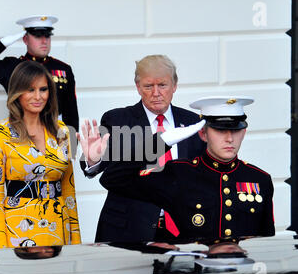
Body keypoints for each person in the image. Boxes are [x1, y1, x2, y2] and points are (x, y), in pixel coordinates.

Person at [82, 96, 275, 247]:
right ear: (203, 133)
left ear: (244, 132)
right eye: (219, 130)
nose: (229, 139)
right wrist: (160, 143)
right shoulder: (180, 173)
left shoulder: (260, 179)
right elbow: (114, 179)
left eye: (235, 130)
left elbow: (266, 239)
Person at [77, 55, 206, 243]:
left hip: (183, 229)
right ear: (138, 87)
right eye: (148, 86)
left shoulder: (194, 123)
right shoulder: (119, 120)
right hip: (129, 228)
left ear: (174, 85)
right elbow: (106, 168)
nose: (156, 92)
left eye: (162, 85)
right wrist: (93, 159)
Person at [0, 61, 81, 249]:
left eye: (43, 89)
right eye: (30, 90)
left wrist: (76, 241)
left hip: (58, 228)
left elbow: (69, 190)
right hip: (19, 230)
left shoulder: (61, 131)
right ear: (17, 93)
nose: (38, 97)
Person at [0, 15, 79, 131]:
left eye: (47, 36)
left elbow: (71, 113)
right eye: (38, 36)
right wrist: (2, 43)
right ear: (25, 39)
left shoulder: (63, 69)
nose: (44, 41)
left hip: (54, 133)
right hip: (21, 133)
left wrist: (72, 145)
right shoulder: (12, 66)